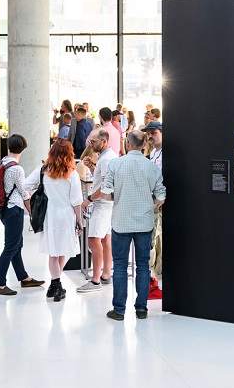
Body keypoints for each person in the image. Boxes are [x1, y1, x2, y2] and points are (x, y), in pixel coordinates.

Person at [103, 130, 165, 321]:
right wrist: (148, 203)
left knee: (120, 266)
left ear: (127, 144)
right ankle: (141, 309)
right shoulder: (152, 167)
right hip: (144, 222)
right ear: (144, 145)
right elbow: (161, 197)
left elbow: (105, 194)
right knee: (143, 266)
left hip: (121, 221)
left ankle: (119, 310)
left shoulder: (115, 164)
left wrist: (117, 198)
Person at [24, 138, 83, 302]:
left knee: (53, 253)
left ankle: (54, 285)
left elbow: (25, 185)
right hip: (66, 215)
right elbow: (76, 201)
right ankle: (56, 286)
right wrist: (80, 221)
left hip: (49, 215)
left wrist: (36, 194)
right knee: (62, 250)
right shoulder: (73, 174)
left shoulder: (43, 170)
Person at [0, 133, 45, 296]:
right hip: (14, 210)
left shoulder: (3, 162)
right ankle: (0, 284)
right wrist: (32, 214)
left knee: (16, 245)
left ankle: (24, 277)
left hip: (4, 208)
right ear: (23, 149)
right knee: (10, 247)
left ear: (8, 147)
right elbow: (24, 194)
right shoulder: (17, 168)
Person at [76, 128, 115, 293]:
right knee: (105, 239)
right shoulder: (105, 158)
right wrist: (92, 166)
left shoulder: (106, 159)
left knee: (93, 240)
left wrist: (89, 199)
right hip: (104, 204)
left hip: (102, 204)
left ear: (104, 141)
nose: (91, 145)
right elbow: (101, 179)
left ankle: (96, 279)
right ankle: (106, 275)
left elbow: (105, 187)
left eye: (93, 142)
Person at [144, 120, 164, 299]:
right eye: (148, 133)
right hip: (152, 205)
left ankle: (159, 283)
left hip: (161, 205)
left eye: (153, 132)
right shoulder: (152, 154)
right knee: (153, 243)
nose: (150, 136)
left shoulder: (166, 153)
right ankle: (154, 282)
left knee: (159, 243)